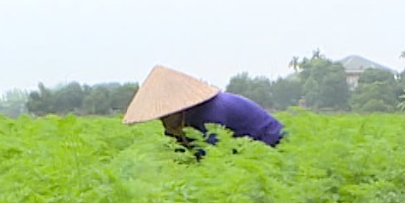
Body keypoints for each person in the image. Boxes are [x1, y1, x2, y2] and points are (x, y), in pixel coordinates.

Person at [122, 65, 284, 149]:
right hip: (246, 147)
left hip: (271, 139)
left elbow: (213, 156)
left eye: (167, 115)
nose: (164, 121)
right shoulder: (179, 123)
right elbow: (178, 154)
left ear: (178, 110)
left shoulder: (210, 113)